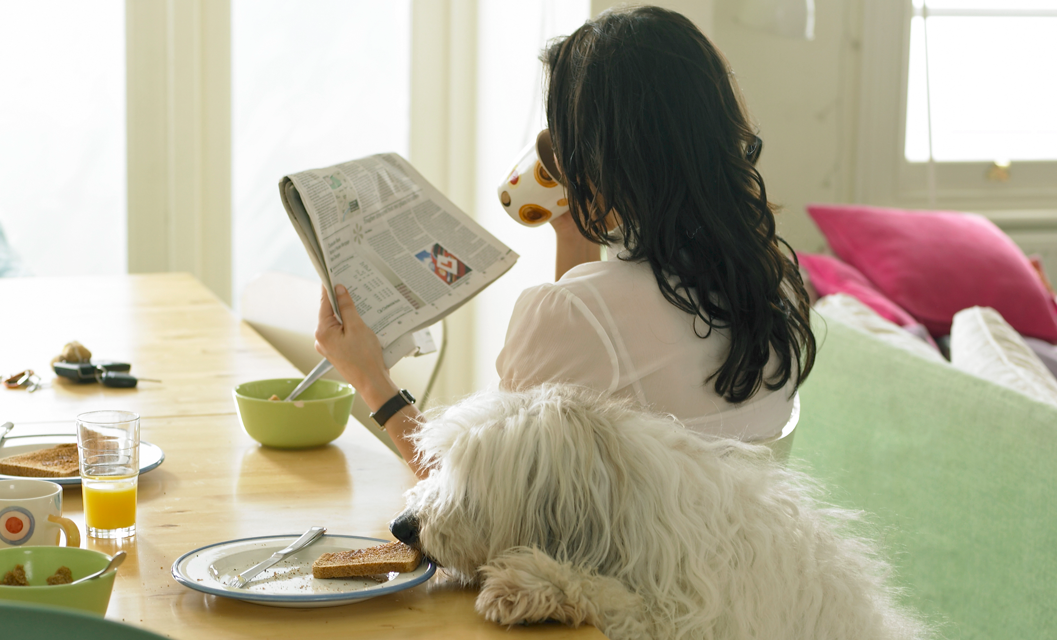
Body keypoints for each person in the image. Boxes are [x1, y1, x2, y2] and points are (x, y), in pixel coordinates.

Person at [315, 5, 815, 478]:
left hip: (595, 572)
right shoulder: (774, 284)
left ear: (600, 156)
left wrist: (370, 379)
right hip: (721, 566)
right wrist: (575, 235)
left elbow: (477, 501)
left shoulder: (573, 314)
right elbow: (586, 391)